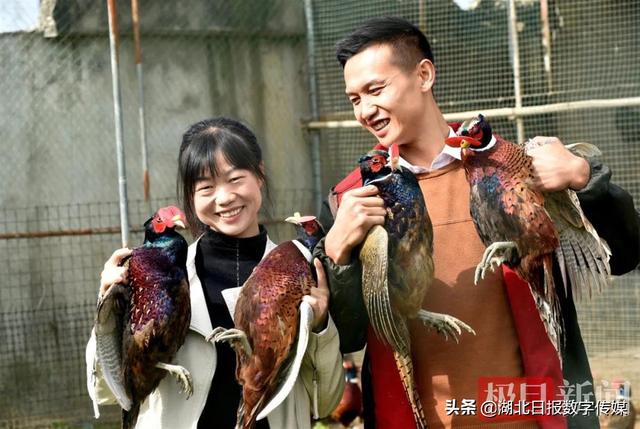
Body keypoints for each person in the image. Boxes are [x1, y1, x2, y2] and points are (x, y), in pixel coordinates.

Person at [313, 17, 640, 429]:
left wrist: (584, 178)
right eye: (354, 98)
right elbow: (348, 336)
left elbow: (625, 254)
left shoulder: (517, 169)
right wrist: (336, 254)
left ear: (424, 75)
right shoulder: (351, 200)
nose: (365, 110)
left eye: (376, 90)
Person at [86, 117, 345, 428]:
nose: (224, 198)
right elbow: (108, 392)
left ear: (259, 175)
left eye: (235, 179)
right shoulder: (163, 275)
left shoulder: (301, 270)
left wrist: (319, 328)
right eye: (206, 187)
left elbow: (327, 400)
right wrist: (109, 309)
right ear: (191, 198)